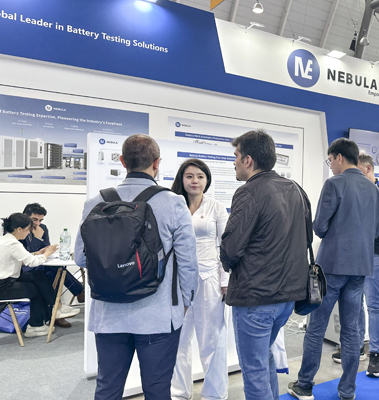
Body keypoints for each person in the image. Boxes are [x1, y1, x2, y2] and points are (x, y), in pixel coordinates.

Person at [74, 134, 199, 400]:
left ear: (122, 161)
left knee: (107, 388)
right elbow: (188, 262)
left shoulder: (95, 202)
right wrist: (186, 301)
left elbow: (80, 259)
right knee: (157, 390)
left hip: (108, 316)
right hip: (158, 315)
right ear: (157, 163)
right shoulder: (173, 202)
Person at [288, 138, 379, 400]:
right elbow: (375, 230)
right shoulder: (375, 190)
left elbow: (319, 227)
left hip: (331, 267)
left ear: (339, 157)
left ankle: (305, 385)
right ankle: (348, 390)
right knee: (351, 331)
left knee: (316, 328)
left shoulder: (334, 184)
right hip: (360, 267)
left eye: (330, 160)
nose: (330, 165)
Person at [220, 129, 310, 400]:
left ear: (248, 160)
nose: (234, 162)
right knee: (264, 359)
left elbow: (231, 249)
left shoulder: (248, 192)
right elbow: (307, 237)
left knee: (254, 371)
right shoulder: (296, 189)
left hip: (256, 298)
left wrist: (226, 260)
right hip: (287, 297)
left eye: (236, 156)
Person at [170, 159, 229, 400]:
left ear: (207, 180)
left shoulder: (216, 207)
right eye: (189, 176)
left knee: (212, 340)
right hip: (177, 281)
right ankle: (178, 393)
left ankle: (214, 394)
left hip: (210, 279)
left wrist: (225, 281)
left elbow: (225, 246)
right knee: (178, 340)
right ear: (181, 179)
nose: (195, 181)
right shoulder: (174, 206)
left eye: (200, 176)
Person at [348, 152, 379, 378]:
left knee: (374, 304)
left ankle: (376, 354)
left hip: (375, 254)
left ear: (368, 168)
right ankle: (357, 346)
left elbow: (377, 219)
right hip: (356, 253)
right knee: (356, 303)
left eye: (358, 170)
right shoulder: (356, 190)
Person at [0, 213, 67, 337]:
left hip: (7, 280)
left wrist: (37, 253)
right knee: (35, 290)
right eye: (27, 230)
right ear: (19, 229)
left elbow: (21, 258)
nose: (28, 233)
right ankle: (36, 326)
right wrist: (47, 253)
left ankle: (56, 307)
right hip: (4, 285)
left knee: (38, 275)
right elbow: (32, 262)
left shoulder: (5, 240)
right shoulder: (13, 244)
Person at [20, 202, 84, 328]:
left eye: (40, 220)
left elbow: (46, 248)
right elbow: (26, 256)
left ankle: (55, 313)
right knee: (55, 270)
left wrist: (45, 248)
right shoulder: (19, 229)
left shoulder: (42, 228)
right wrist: (37, 238)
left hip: (39, 265)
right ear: (25, 216)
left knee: (53, 272)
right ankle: (78, 292)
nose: (37, 223)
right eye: (34, 219)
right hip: (24, 268)